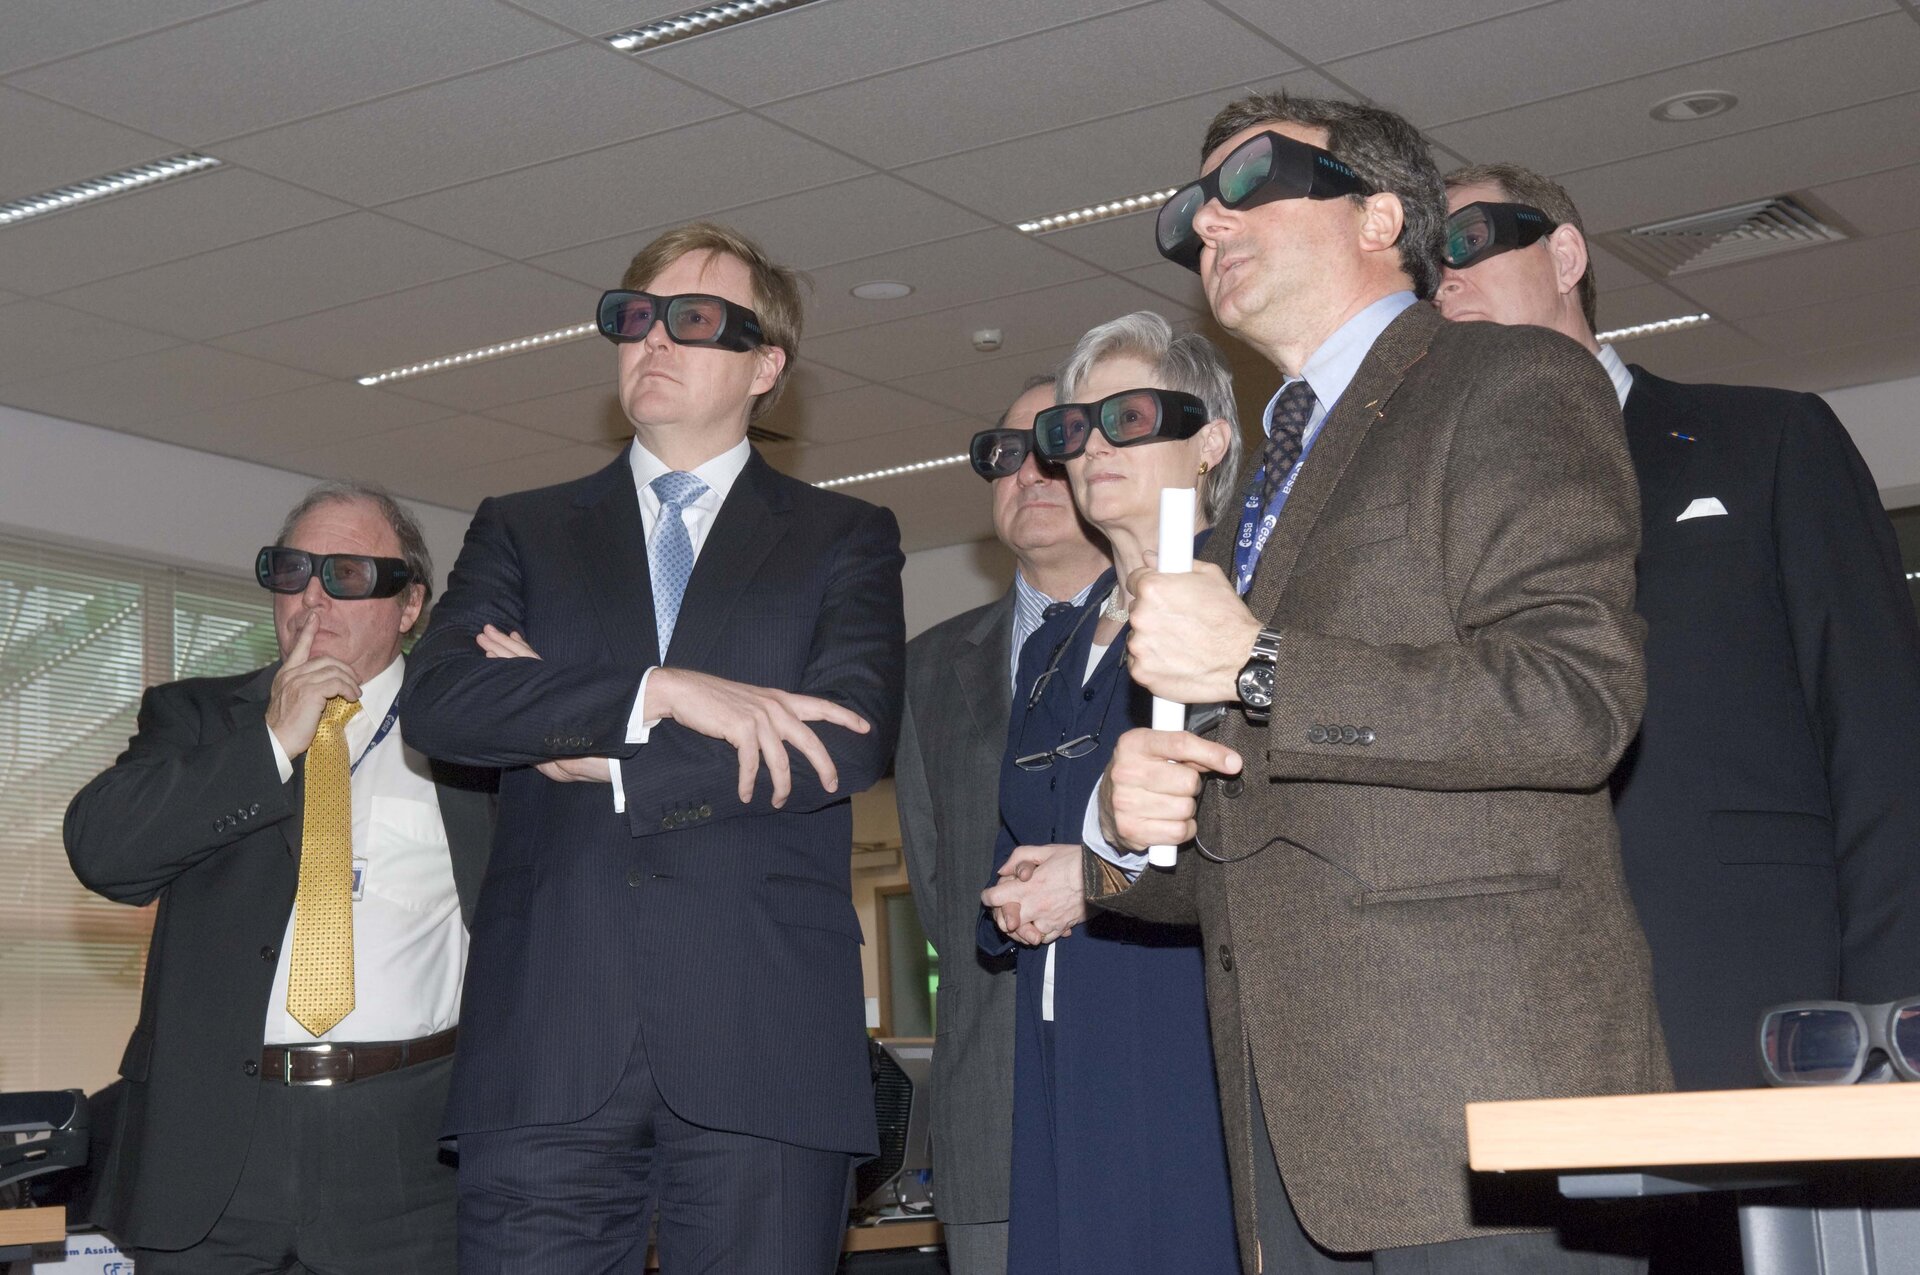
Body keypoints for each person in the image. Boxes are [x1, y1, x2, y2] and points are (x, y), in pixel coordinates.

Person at [1075, 92, 1670, 1272]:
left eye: (1249, 186)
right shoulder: (1254, 497)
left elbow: (1572, 701)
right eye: (1196, 209)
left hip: (1488, 1106)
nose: (1209, 225)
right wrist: (1128, 824)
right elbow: (1273, 817)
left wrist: (1256, 663)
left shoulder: (1506, 381)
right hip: (1297, 1137)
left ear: (1381, 214)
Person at [401, 221, 905, 1274]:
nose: (654, 340)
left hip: (763, 1041)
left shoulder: (842, 539)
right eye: (633, 318)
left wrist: (609, 758)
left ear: (767, 364)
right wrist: (654, 693)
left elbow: (843, 742)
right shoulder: (521, 530)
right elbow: (444, 703)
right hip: (546, 1045)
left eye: (696, 320)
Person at [1436, 161, 1920, 1092]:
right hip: (1533, 1023)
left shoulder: (1766, 442)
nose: (1444, 276)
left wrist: (1891, 1027)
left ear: (1566, 253)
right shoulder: (1449, 520)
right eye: (1424, 264)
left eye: (1466, 241)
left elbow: (1884, 740)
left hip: (1761, 1005)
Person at [65, 482, 495, 1274]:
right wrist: (270, 741)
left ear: (410, 606)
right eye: (292, 570)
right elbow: (103, 853)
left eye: (348, 574)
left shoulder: (472, 739)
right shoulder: (196, 720)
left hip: (408, 1154)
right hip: (213, 1156)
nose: (312, 596)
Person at [982, 311, 1244, 1274]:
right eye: (1076, 426)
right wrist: (1014, 893)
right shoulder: (1054, 645)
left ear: (1211, 438)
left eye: (1129, 416)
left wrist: (1089, 874)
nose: (1091, 445)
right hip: (1065, 1035)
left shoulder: (1253, 603)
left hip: (1190, 1019)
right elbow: (1011, 839)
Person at [892, 373, 1109, 1275]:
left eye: (1055, 446)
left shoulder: (1189, 632)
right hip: (993, 1117)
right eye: (1007, 454)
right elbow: (944, 893)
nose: (1030, 471)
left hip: (1163, 1092)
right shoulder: (929, 670)